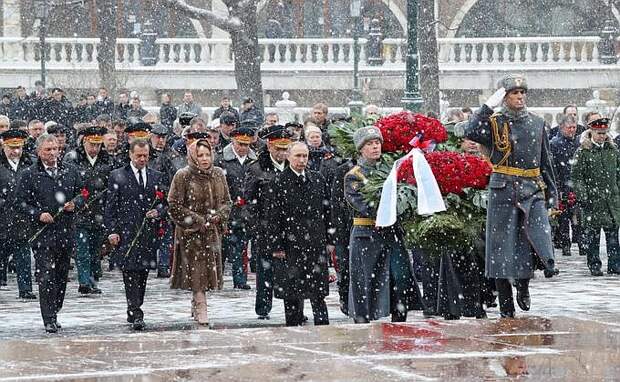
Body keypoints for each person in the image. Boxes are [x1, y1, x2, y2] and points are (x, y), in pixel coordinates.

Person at [465, 74, 558, 318]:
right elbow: (470, 131)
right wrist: (487, 107)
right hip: (503, 187)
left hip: (531, 186)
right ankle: (506, 304)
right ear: (504, 97)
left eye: (522, 93)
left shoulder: (537, 123)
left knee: (532, 237)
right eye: (514, 93)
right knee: (500, 250)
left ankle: (527, 283)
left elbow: (546, 162)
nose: (519, 97)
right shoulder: (495, 123)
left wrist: (553, 196)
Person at [344, 126, 423, 323]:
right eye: (369, 144)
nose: (375, 147)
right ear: (360, 149)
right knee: (366, 279)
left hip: (391, 231)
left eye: (377, 143)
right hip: (367, 232)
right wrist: (385, 211)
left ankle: (399, 313)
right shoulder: (354, 175)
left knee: (399, 275)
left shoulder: (390, 168)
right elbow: (361, 204)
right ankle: (362, 317)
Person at [17, 133, 86, 333]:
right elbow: (20, 202)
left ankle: (55, 309)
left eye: (55, 149)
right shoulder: (29, 174)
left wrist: (76, 204)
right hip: (43, 234)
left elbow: (83, 193)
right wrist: (38, 214)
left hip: (66, 231)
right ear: (39, 152)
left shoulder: (70, 171)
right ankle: (48, 317)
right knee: (46, 275)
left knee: (61, 275)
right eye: (48, 150)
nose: (53, 153)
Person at [104, 139, 167, 330]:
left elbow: (165, 202)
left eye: (145, 156)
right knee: (130, 272)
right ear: (131, 154)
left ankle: (135, 305)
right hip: (127, 232)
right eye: (138, 155)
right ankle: (135, 310)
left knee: (143, 274)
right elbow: (111, 206)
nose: (142, 159)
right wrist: (112, 230)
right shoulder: (117, 175)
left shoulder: (156, 176)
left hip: (148, 233)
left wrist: (158, 212)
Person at [168, 139, 231, 325]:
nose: (204, 159)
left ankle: (197, 301)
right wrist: (197, 220)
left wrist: (219, 216)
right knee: (197, 272)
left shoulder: (218, 174)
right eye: (200, 155)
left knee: (208, 272)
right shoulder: (183, 175)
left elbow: (227, 201)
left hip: (212, 232)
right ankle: (201, 304)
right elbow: (174, 205)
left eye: (207, 154)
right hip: (191, 234)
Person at [267, 142, 331, 326]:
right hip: (291, 244)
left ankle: (322, 328)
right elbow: (273, 217)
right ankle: (293, 327)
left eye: (305, 156)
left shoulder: (317, 179)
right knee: (292, 293)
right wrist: (276, 245)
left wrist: (330, 239)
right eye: (298, 156)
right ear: (288, 156)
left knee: (318, 293)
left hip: (315, 243)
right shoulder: (278, 182)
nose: (302, 160)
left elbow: (327, 211)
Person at [245, 125, 292, 320]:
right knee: (266, 271)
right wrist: (257, 227)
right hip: (266, 227)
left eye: (285, 148)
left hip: (290, 227)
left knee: (292, 270)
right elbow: (248, 202)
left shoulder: (293, 166)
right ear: (270, 147)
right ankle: (263, 307)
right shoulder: (256, 169)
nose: (282, 153)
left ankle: (293, 305)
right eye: (278, 148)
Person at [63, 127, 114, 294]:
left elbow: (111, 186)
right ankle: (84, 282)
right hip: (79, 212)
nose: (95, 149)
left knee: (95, 250)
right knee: (82, 249)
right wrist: (76, 201)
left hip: (99, 211)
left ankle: (92, 279)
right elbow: (68, 184)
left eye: (98, 145)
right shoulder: (73, 159)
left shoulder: (106, 160)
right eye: (92, 144)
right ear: (84, 142)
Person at [571, 117, 620, 276]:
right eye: (598, 133)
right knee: (593, 236)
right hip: (592, 200)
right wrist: (583, 196)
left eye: (604, 133)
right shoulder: (583, 152)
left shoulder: (613, 151)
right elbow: (577, 177)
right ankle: (594, 264)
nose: (601, 136)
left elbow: (618, 174)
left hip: (611, 201)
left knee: (613, 236)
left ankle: (615, 264)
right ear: (591, 132)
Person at [215, 126, 257, 289]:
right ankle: (217, 279)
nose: (243, 148)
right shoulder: (221, 159)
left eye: (246, 145)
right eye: (240, 144)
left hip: (246, 211)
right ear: (233, 141)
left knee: (241, 246)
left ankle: (240, 280)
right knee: (222, 248)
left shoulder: (254, 161)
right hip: (226, 210)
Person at [0, 129, 36, 298]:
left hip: (23, 218)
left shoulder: (29, 164)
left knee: (23, 255)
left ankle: (25, 289)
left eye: (18, 147)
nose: (15, 151)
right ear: (4, 146)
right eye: (11, 147)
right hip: (2, 218)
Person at [549, 114, 582, 257]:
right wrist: (556, 187)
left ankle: (582, 244)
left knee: (578, 218)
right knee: (563, 219)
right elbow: (552, 167)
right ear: (562, 128)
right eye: (569, 127)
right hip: (561, 185)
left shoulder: (579, 143)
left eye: (574, 127)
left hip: (576, 185)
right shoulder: (554, 144)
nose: (572, 130)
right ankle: (565, 245)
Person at [148, 124, 177, 278]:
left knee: (166, 235)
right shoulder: (146, 154)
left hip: (164, 199)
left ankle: (164, 265)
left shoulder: (171, 156)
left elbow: (174, 179)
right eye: (157, 137)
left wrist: (165, 193)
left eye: (163, 137)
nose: (160, 141)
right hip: (146, 199)